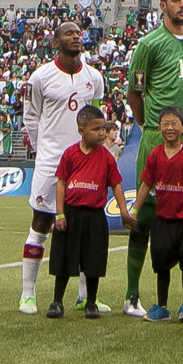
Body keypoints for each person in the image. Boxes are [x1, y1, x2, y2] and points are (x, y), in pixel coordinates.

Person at [123, 0, 183, 317]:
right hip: (157, 138)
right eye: (175, 0)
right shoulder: (149, 44)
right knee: (146, 214)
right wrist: (152, 127)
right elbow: (135, 93)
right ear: (162, 6)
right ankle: (132, 295)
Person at [16, 23, 107, 316]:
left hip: (86, 161)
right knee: (41, 223)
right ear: (55, 41)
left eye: (78, 33)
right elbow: (31, 116)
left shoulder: (94, 77)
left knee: (82, 225)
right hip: (52, 161)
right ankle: (28, 293)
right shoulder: (41, 76)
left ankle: (83, 296)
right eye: (68, 33)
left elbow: (95, 115)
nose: (75, 36)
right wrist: (45, 148)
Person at [49, 104, 129, 319]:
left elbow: (117, 185)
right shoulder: (70, 154)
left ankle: (91, 302)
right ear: (81, 130)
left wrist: (124, 211)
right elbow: (61, 183)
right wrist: (59, 214)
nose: (101, 133)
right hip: (71, 213)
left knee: (93, 261)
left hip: (95, 215)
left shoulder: (106, 157)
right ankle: (57, 301)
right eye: (96, 129)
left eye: (103, 128)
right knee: (64, 260)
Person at [136, 106, 183, 321]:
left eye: (174, 124)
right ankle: (162, 307)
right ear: (159, 128)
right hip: (163, 220)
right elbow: (145, 184)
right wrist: (133, 211)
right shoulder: (154, 155)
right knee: (161, 264)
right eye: (166, 124)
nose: (170, 128)